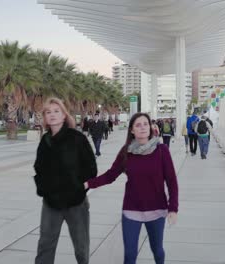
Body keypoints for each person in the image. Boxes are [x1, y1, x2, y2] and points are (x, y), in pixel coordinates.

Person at [84, 113, 178, 264]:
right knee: (129, 255)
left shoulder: (161, 151)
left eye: (145, 124)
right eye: (138, 125)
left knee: (158, 252)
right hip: (131, 210)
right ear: (132, 130)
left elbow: (172, 181)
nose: (142, 128)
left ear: (151, 127)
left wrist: (173, 208)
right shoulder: (126, 151)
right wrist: (88, 184)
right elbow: (110, 175)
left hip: (156, 210)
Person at [33, 97, 97, 264]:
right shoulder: (45, 141)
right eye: (48, 112)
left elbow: (91, 167)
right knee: (45, 245)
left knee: (81, 247)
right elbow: (38, 168)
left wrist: (79, 187)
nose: (52, 115)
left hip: (76, 203)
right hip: (51, 203)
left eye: (56, 111)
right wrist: (43, 189)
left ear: (63, 115)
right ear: (45, 118)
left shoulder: (77, 138)